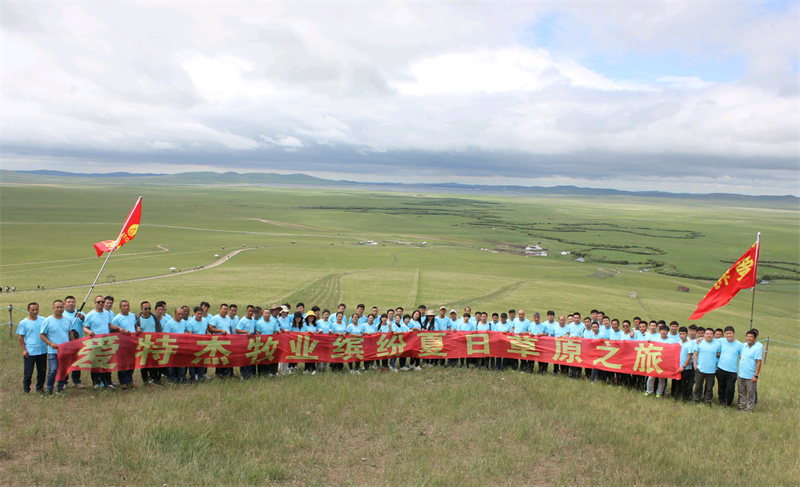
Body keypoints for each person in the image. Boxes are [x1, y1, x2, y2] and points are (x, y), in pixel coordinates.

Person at [83, 295, 116, 389]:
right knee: (96, 363)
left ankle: (108, 382)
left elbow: (109, 325)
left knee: (107, 362)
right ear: (95, 303)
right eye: (98, 302)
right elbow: (85, 327)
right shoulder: (90, 315)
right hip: (95, 343)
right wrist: (89, 332)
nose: (100, 303)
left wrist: (119, 328)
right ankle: (96, 382)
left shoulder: (107, 313)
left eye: (102, 302)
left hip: (106, 343)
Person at [111, 300, 137, 389]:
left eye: (127, 305)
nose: (126, 307)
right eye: (124, 306)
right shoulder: (117, 318)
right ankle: (123, 381)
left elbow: (135, 325)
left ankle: (130, 380)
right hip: (122, 344)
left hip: (132, 343)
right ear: (120, 307)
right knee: (122, 363)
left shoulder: (132, 315)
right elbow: (112, 330)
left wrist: (138, 328)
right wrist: (121, 330)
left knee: (132, 362)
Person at [135, 301, 163, 385]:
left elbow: (159, 329)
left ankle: (156, 379)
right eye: (145, 308)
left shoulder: (154, 317)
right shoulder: (138, 319)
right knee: (144, 364)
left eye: (149, 308)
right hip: (143, 345)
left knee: (155, 363)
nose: (148, 310)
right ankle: (145, 380)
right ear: (141, 309)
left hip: (154, 344)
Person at [693, 328, 721, 404]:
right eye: (707, 333)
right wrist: (695, 365)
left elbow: (719, 353)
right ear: (704, 334)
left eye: (710, 334)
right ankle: (696, 399)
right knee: (698, 386)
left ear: (713, 335)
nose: (709, 335)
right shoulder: (699, 342)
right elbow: (695, 354)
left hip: (712, 369)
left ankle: (707, 400)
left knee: (709, 387)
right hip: (700, 368)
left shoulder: (717, 343)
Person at [63, 295, 85, 388]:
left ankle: (76, 381)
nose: (71, 304)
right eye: (68, 302)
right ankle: (64, 381)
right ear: (65, 304)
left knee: (76, 362)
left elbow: (87, 323)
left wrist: (81, 317)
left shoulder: (80, 313)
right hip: (65, 342)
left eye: (72, 302)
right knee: (65, 362)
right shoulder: (62, 314)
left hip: (78, 342)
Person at [716, 326, 742, 407]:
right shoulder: (721, 341)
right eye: (727, 334)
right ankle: (721, 401)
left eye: (730, 333)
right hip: (721, 368)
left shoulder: (739, 345)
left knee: (730, 388)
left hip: (732, 371)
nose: (729, 335)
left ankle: (729, 403)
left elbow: (743, 355)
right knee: (721, 387)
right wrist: (700, 338)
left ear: (734, 334)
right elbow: (710, 339)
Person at [737, 329, 762, 412]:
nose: (749, 338)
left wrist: (756, 375)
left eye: (751, 337)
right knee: (741, 392)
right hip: (741, 374)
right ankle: (742, 406)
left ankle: (749, 408)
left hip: (750, 375)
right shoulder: (743, 346)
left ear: (755, 338)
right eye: (748, 336)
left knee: (751, 393)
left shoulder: (757, 348)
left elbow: (758, 363)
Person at [644, 325, 670, 397]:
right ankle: (649, 391)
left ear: (667, 332)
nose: (663, 332)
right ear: (660, 331)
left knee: (662, 379)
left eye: (665, 330)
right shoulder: (656, 339)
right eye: (662, 330)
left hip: (664, 362)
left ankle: (659, 393)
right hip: (655, 361)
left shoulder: (671, 341)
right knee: (651, 378)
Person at [676, 326, 695, 401]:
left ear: (686, 334)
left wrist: (683, 367)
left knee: (685, 384)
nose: (682, 335)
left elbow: (689, 357)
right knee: (678, 384)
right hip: (678, 367)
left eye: (683, 334)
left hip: (686, 368)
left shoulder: (689, 344)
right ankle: (677, 397)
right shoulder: (678, 343)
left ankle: (685, 399)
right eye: (680, 334)